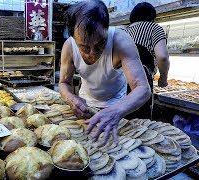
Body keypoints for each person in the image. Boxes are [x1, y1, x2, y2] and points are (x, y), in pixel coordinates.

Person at [59, 0, 151, 144]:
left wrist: (116, 111)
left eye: (100, 44)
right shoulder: (69, 46)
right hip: (86, 107)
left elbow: (143, 89)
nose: (92, 53)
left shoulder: (120, 41)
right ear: (73, 37)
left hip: (116, 106)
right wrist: (71, 98)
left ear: (107, 28)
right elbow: (64, 83)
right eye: (84, 47)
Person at [126, 2, 170, 119]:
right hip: (140, 81)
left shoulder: (125, 31)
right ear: (152, 17)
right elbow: (162, 57)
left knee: (122, 122)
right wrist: (163, 79)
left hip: (119, 80)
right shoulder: (155, 28)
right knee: (140, 124)